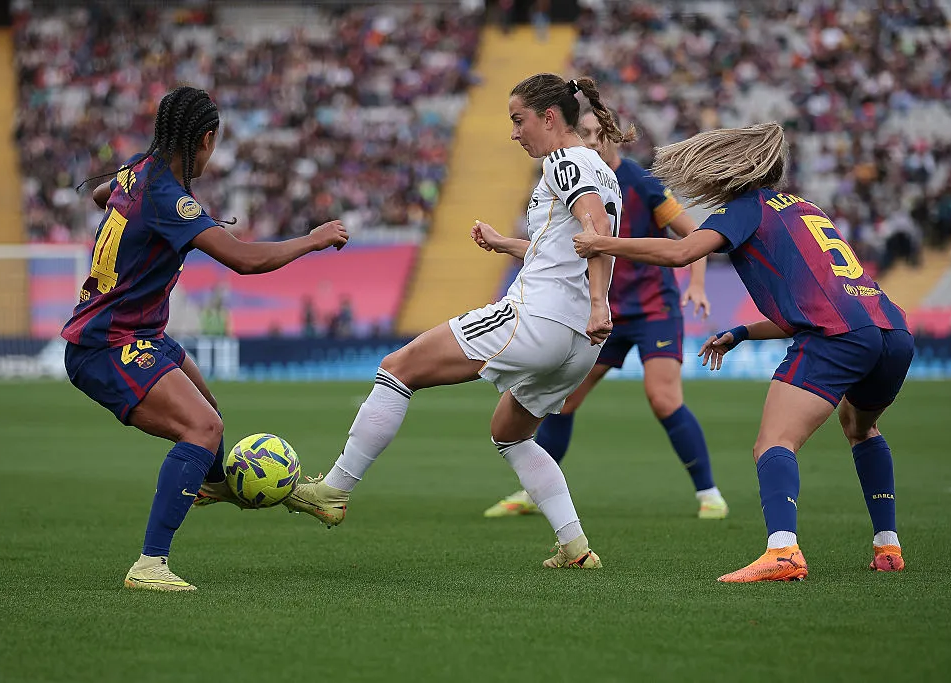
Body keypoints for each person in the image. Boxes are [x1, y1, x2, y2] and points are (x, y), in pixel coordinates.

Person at [285, 73, 631, 569]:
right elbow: (570, 244)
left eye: (519, 120)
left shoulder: (563, 160)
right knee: (511, 432)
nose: (515, 132)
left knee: (397, 367)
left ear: (550, 117)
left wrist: (600, 301)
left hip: (538, 319)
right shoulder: (601, 167)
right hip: (581, 343)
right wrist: (507, 246)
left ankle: (335, 489)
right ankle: (576, 547)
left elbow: (595, 229)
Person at [573, 123, 913, 582]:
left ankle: (783, 552)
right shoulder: (805, 208)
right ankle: (887, 545)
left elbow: (683, 253)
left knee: (773, 442)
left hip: (840, 336)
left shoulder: (745, 208)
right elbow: (823, 303)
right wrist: (744, 332)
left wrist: (602, 243)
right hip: (890, 331)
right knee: (860, 427)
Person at [62, 86, 348, 592]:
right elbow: (245, 260)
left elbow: (102, 195)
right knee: (201, 428)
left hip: (139, 332)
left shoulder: (136, 171)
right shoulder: (169, 197)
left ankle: (236, 486)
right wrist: (315, 238)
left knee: (209, 417)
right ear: (206, 139)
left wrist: (134, 207)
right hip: (107, 344)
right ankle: (150, 564)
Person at [484, 110, 728, 521]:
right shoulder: (569, 175)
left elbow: (693, 235)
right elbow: (555, 249)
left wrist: (698, 285)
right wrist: (507, 243)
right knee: (563, 401)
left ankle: (709, 493)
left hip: (653, 307)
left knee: (663, 398)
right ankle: (536, 490)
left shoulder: (641, 183)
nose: (594, 142)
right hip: (604, 308)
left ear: (613, 137)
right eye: (586, 134)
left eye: (600, 134)